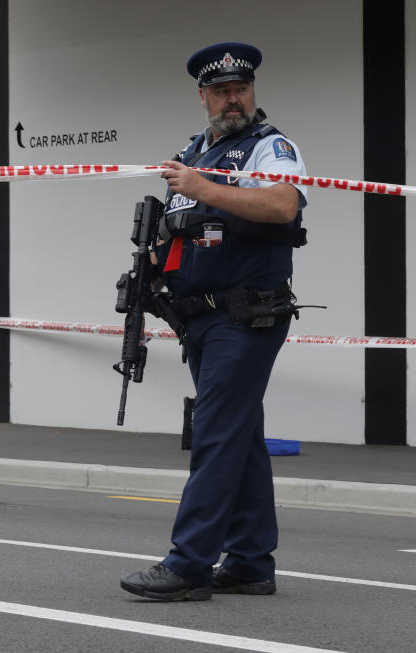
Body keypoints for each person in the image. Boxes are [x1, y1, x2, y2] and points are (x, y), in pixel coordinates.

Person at [120, 42, 309, 601]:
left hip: (247, 315)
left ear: (252, 92)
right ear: (203, 96)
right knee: (240, 437)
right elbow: (178, 232)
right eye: (222, 91)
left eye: (241, 89)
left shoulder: (268, 147)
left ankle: (189, 564)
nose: (233, 99)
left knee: (216, 435)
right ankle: (250, 561)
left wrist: (203, 187)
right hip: (199, 319)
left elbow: (282, 206)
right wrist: (152, 269)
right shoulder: (192, 152)